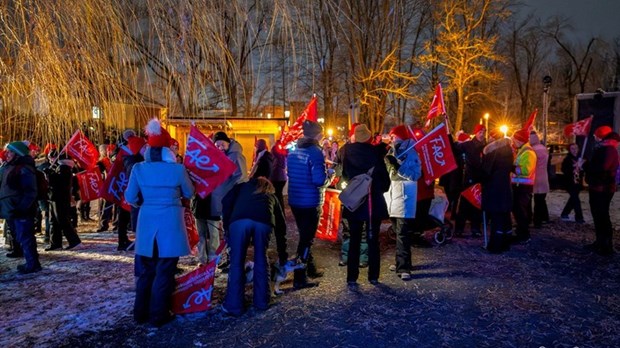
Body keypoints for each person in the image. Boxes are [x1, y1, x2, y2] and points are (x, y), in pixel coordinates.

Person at [125, 119, 195, 327]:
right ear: (168, 151)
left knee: (146, 270)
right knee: (165, 270)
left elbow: (130, 197)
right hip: (170, 223)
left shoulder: (138, 168)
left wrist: (144, 202)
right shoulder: (177, 170)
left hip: (147, 222)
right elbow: (190, 192)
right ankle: (159, 314)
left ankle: (140, 313)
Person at [221, 177, 288, 315]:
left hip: (239, 221)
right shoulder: (271, 195)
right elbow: (281, 226)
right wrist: (283, 254)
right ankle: (262, 301)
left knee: (236, 261)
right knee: (261, 259)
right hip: (263, 222)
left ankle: (234, 305)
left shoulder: (241, 187)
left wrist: (227, 226)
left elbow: (226, 201)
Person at [340, 124, 390, 287]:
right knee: (373, 239)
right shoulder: (376, 153)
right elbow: (385, 183)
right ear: (369, 137)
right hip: (372, 202)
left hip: (355, 201)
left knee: (354, 239)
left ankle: (351, 277)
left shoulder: (346, 152)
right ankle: (373, 276)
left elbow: (345, 175)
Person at [192, 131, 247, 267]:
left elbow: (240, 177)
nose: (220, 147)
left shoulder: (235, 155)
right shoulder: (213, 156)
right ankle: (205, 259)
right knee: (204, 232)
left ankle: (215, 259)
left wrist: (223, 188)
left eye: (222, 144)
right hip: (204, 200)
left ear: (228, 142)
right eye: (217, 145)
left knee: (217, 232)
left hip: (221, 199)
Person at [287, 120, 329, 289]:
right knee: (306, 239)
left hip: (295, 200)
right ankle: (300, 277)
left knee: (304, 235)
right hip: (310, 201)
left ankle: (309, 269)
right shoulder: (315, 152)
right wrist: (329, 176)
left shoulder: (293, 150)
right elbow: (319, 180)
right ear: (318, 135)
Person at [384, 125, 422, 281]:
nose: (391, 138)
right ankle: (401, 261)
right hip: (392, 195)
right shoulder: (392, 150)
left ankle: (404, 267)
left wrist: (398, 167)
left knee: (402, 233)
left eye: (394, 136)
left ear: (400, 136)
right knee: (396, 230)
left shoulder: (411, 152)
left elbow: (415, 174)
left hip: (404, 196)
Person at [0, 141, 42, 273]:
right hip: (11, 209)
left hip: (21, 210)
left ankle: (33, 264)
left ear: (17, 153)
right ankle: (31, 262)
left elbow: (30, 191)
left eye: (10, 151)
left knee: (26, 236)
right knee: (19, 236)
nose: (7, 154)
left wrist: (21, 207)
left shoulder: (24, 168)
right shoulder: (10, 166)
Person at [584, 126, 619, 256]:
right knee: (598, 216)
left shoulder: (608, 150)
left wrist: (586, 165)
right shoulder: (604, 149)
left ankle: (606, 245)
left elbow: (601, 167)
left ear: (602, 136)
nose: (594, 137)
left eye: (596, 135)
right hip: (598, 187)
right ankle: (600, 242)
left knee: (602, 216)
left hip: (603, 188)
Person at [480, 136, 514, 253]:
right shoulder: (508, 155)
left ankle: (495, 245)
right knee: (505, 217)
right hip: (505, 189)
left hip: (494, 190)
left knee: (496, 219)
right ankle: (506, 243)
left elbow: (485, 172)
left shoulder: (494, 156)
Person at [454, 124, 486, 237]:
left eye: (483, 132)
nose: (482, 134)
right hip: (468, 180)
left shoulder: (486, 147)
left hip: (480, 180)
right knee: (464, 205)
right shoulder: (468, 145)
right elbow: (455, 149)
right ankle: (459, 229)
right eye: (480, 132)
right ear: (476, 133)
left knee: (477, 205)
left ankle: (476, 228)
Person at [45, 153, 82, 250]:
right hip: (55, 197)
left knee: (62, 220)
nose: (50, 160)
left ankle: (74, 241)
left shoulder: (63, 168)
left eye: (52, 158)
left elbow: (60, 184)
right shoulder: (60, 168)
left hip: (60, 198)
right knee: (54, 220)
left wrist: (49, 175)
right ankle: (55, 243)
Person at [511, 128, 537, 244]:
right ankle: (521, 232)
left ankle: (524, 235)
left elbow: (526, 170)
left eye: (514, 139)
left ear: (520, 140)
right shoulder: (522, 151)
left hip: (523, 187)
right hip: (519, 186)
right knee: (519, 211)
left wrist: (512, 168)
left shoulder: (528, 153)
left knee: (521, 211)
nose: (513, 141)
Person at [560, 143, 584, 223]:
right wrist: (573, 168)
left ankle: (564, 213)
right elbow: (564, 170)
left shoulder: (581, 158)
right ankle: (579, 217)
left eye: (576, 148)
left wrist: (581, 167)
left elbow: (584, 168)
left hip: (577, 182)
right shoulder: (567, 159)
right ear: (569, 150)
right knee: (576, 200)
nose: (575, 150)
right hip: (570, 183)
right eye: (572, 149)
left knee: (573, 199)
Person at [530, 131, 550, 228]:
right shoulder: (544, 148)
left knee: (537, 201)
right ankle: (545, 217)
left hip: (535, 177)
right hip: (544, 176)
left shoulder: (532, 150)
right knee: (541, 199)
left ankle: (537, 222)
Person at [270, 140, 288, 210]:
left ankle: (278, 210)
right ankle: (281, 210)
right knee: (279, 194)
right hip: (283, 177)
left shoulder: (276, 155)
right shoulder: (283, 153)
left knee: (277, 194)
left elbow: (274, 165)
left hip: (276, 176)